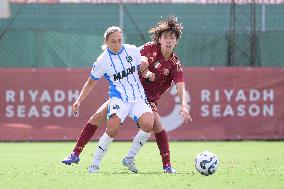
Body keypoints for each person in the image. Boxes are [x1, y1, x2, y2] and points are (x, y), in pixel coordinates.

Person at [62, 17, 192, 173]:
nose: (169, 41)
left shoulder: (174, 64)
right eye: (165, 37)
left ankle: (162, 164)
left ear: (177, 41)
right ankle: (77, 154)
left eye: (172, 38)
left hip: (144, 98)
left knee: (154, 124)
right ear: (159, 38)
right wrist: (144, 69)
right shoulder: (147, 48)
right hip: (123, 93)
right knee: (99, 118)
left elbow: (180, 86)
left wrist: (183, 105)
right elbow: (135, 59)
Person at [72, 26, 155, 173]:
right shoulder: (102, 60)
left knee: (148, 124)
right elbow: (91, 82)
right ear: (106, 42)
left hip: (138, 96)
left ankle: (129, 158)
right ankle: (94, 165)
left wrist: (147, 72)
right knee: (113, 127)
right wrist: (79, 100)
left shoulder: (132, 50)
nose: (117, 45)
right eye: (113, 42)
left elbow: (142, 68)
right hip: (119, 97)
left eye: (119, 40)